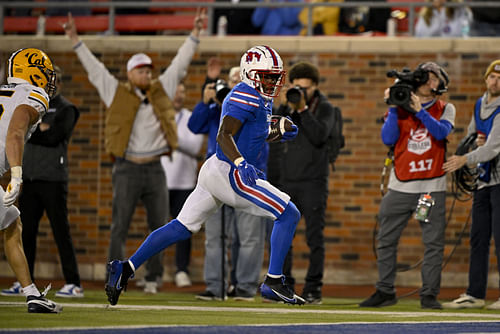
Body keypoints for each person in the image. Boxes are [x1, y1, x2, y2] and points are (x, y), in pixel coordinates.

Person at [104, 45, 304, 307]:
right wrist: (241, 163)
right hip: (231, 172)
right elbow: (224, 135)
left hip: (215, 169)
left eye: (273, 76)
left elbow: (252, 131)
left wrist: (276, 129)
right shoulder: (245, 95)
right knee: (288, 213)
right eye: (266, 76)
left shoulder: (257, 97)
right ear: (249, 73)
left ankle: (125, 268)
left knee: (181, 226)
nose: (272, 81)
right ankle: (274, 282)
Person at [62, 9, 205, 294]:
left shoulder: (160, 90)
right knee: (120, 225)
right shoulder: (115, 91)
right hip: (126, 166)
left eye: (149, 70)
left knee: (160, 224)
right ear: (130, 72)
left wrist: (195, 36)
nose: (147, 74)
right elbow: (95, 70)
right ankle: (114, 274)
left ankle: (153, 278)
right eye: (141, 70)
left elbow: (179, 65)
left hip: (155, 167)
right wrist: (76, 40)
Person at [359, 62, 455, 310]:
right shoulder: (398, 107)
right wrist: (394, 107)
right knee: (386, 239)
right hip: (400, 187)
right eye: (424, 77)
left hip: (429, 190)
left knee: (433, 242)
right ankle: (384, 290)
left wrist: (419, 112)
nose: (427, 81)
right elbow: (388, 138)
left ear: (441, 85)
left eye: (434, 78)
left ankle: (429, 294)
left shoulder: (446, 108)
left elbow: (441, 133)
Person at [1, 65, 82, 298]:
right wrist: (35, 128)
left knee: (59, 231)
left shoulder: (66, 108)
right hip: (31, 177)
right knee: (23, 231)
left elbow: (54, 136)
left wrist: (28, 128)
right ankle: (26, 283)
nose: (50, 82)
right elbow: (24, 132)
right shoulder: (28, 100)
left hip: (53, 179)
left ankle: (73, 282)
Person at [189, 65, 268, 301]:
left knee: (250, 236)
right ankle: (215, 286)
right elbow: (194, 126)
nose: (235, 84)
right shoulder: (219, 108)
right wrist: (206, 103)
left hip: (248, 174)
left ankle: (244, 288)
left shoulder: (258, 105)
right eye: (231, 80)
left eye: (238, 79)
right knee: (215, 236)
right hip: (218, 175)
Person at [0, 47, 62, 313]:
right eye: (45, 73)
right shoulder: (32, 94)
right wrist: (17, 173)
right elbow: (14, 131)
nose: (49, 79)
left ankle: (31, 293)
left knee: (12, 222)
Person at [271, 61, 337, 304]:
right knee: (283, 237)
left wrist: (303, 109)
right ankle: (283, 284)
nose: (300, 92)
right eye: (297, 88)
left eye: (306, 89)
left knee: (314, 237)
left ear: (315, 87)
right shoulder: (284, 109)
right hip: (286, 181)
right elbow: (273, 138)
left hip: (313, 182)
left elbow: (320, 136)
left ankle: (313, 288)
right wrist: (289, 109)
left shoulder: (326, 108)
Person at [442, 60, 500, 310]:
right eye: (493, 77)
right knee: (478, 238)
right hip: (483, 181)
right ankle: (475, 293)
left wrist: (464, 159)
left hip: (498, 181)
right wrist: (472, 144)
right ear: (486, 78)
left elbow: (493, 147)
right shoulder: (479, 104)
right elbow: (474, 134)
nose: (495, 82)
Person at [160, 82, 204, 288]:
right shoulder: (159, 117)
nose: (179, 95)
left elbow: (195, 147)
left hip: (185, 182)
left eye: (183, 91)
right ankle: (155, 272)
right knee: (157, 227)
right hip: (161, 181)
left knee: (184, 228)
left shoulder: (189, 118)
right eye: (175, 92)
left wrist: (172, 139)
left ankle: (181, 270)